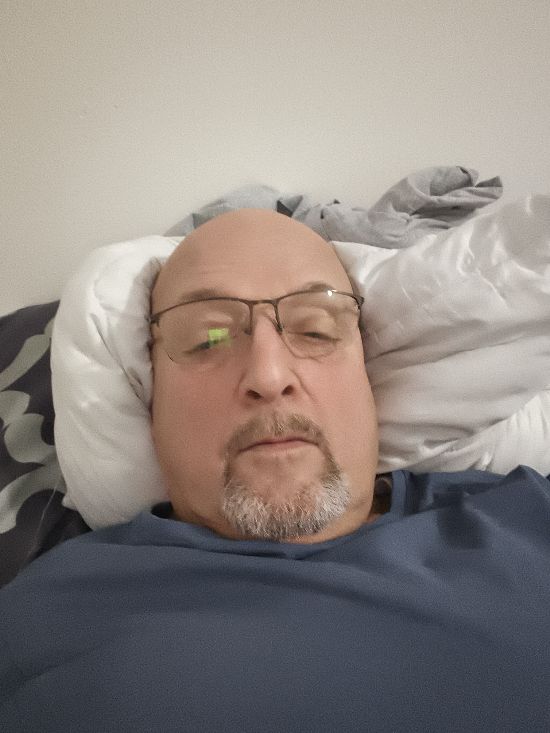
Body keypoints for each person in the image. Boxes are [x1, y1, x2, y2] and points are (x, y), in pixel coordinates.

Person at [0, 210, 549, 732]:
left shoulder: (527, 516)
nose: (268, 374)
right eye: (208, 338)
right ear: (150, 401)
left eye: (315, 331)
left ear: (368, 376)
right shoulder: (43, 614)